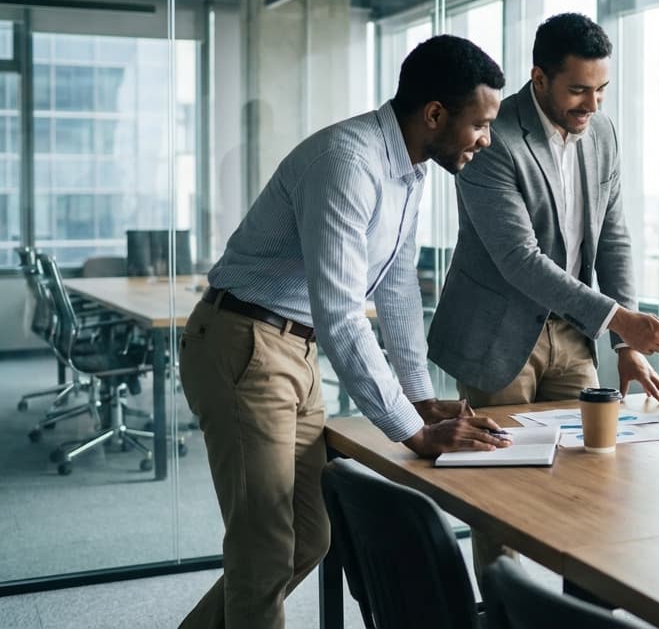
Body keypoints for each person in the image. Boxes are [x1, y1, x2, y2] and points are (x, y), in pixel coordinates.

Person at [179, 36, 512, 629]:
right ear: (435, 114)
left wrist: (418, 396)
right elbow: (341, 314)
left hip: (293, 348)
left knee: (310, 536)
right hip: (245, 343)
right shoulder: (348, 162)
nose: (486, 139)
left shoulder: (409, 171)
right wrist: (413, 431)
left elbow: (397, 288)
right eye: (480, 124)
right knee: (263, 550)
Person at [428, 12, 659, 407]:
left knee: (593, 441)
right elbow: (519, 258)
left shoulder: (602, 133)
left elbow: (613, 240)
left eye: (601, 89)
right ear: (539, 78)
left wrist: (626, 345)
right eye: (579, 90)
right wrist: (620, 320)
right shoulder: (493, 136)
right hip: (499, 337)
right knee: (508, 447)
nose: (592, 105)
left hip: (573, 330)